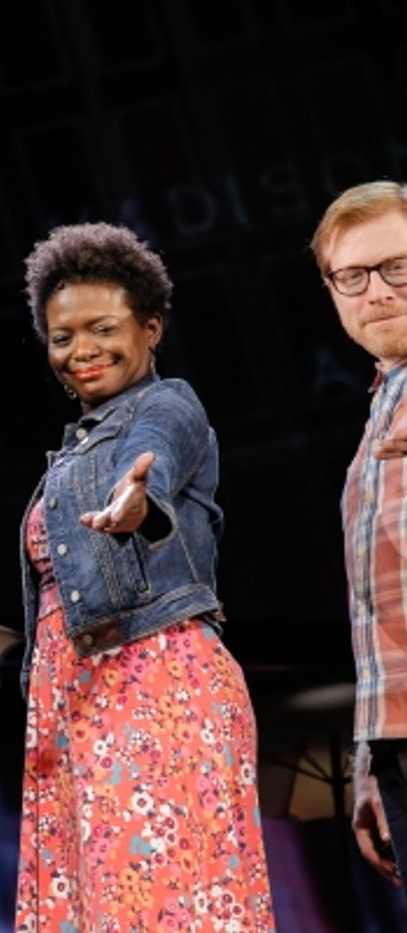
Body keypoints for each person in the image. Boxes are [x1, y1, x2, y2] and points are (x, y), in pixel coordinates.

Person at [13, 223, 274, 929]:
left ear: (150, 328)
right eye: (63, 336)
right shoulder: (74, 449)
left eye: (103, 328)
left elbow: (153, 454)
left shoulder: (167, 404)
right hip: (76, 697)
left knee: (165, 904)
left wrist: (140, 500)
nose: (82, 349)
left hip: (156, 685)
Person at [312, 181, 407, 889]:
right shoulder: (381, 407)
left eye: (396, 267)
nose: (376, 291)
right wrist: (372, 762)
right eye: (352, 276)